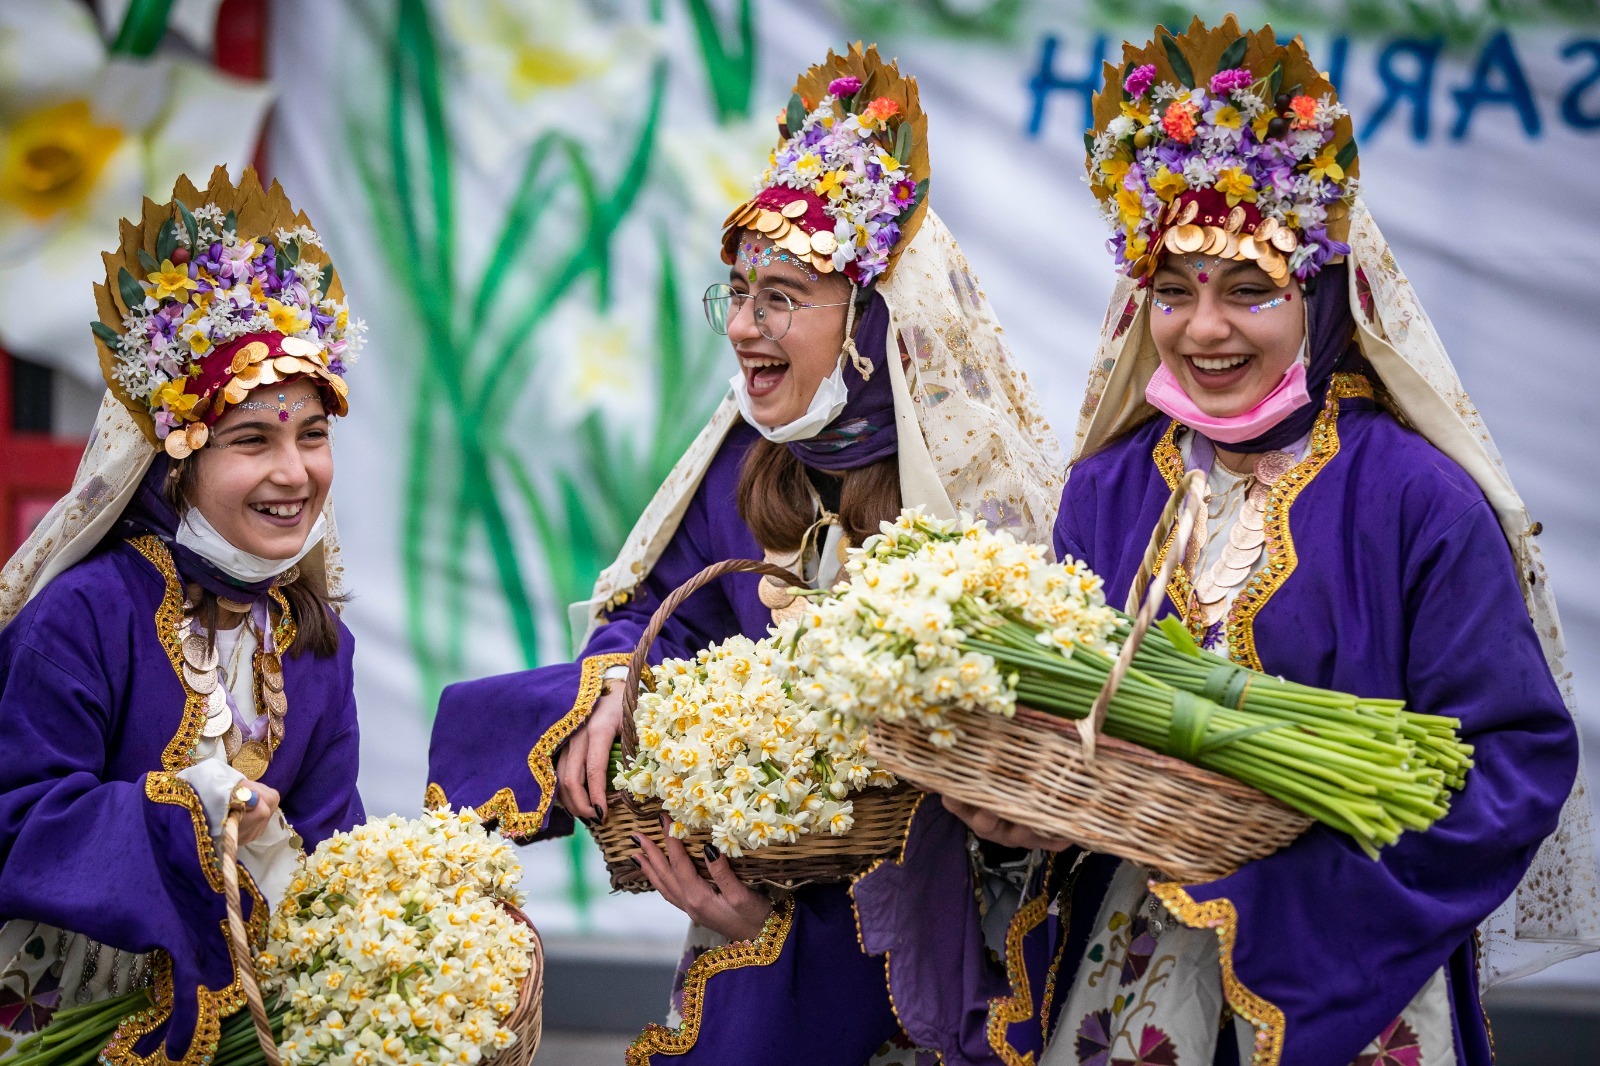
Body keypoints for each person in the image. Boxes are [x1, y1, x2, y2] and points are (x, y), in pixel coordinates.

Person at [939, 18, 1599, 1064]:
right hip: (1129, 976)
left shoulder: (1415, 499)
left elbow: (1513, 763)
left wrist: (1285, 891)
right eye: (1172, 290)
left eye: (1248, 289)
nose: (1204, 331)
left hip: (1346, 980)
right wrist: (1025, 817)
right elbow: (1063, 731)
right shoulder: (1107, 490)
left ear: (1323, 296)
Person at [427, 45, 1070, 1064]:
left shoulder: (967, 488)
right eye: (733, 293)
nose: (741, 328)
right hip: (749, 909)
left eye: (779, 297)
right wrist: (611, 674)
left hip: (942, 961)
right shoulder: (747, 459)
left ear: (870, 323)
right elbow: (658, 613)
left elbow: (1030, 772)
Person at [0, 167, 367, 1059]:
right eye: (253, 439)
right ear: (173, 463)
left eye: (311, 433)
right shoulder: (85, 616)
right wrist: (185, 811)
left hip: (249, 1022)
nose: (295, 473)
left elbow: (327, 852)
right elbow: (16, 821)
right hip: (52, 1020)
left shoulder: (315, 640)